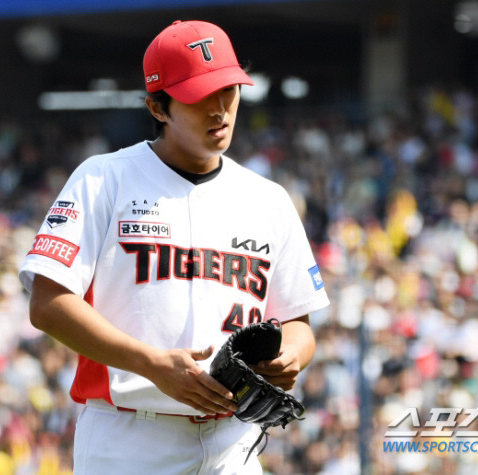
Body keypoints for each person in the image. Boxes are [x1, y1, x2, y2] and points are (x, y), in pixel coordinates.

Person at [18, 19, 330, 474]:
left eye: (229, 90)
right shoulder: (104, 178)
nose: (220, 109)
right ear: (157, 107)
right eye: (200, 96)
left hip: (234, 440)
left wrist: (290, 357)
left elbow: (298, 324)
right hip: (130, 436)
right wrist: (151, 364)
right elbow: (47, 304)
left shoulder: (269, 199)